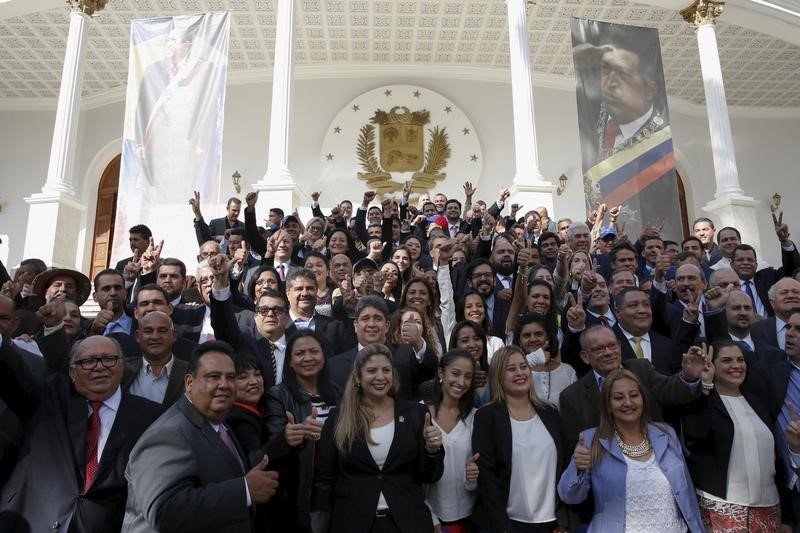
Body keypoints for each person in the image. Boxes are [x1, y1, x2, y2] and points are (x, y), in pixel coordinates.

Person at [0, 327, 161, 533]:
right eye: (88, 361)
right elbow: (13, 375)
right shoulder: (51, 398)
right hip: (31, 520)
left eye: (108, 359)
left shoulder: (150, 416)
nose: (99, 367)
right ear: (72, 372)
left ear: (121, 366)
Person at [122, 340, 280, 532]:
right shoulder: (168, 434)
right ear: (189, 383)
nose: (224, 384)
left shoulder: (219, 423)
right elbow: (164, 511)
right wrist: (244, 491)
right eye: (213, 377)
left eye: (230, 377)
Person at [312, 343, 445, 532]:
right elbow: (325, 478)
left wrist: (433, 451)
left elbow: (430, 476)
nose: (380, 377)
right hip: (353, 523)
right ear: (358, 376)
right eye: (372, 370)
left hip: (407, 522)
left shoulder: (416, 413)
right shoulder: (338, 418)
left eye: (386, 370)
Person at [558, 369, 704, 532]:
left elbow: (688, 492)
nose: (628, 402)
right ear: (608, 405)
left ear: (643, 398)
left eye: (634, 395)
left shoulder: (666, 433)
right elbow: (569, 497)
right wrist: (578, 468)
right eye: (618, 398)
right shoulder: (591, 439)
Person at [681, 340, 782, 531]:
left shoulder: (758, 402)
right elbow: (696, 433)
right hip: (723, 510)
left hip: (769, 510)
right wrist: (706, 385)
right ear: (711, 365)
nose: (736, 366)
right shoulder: (703, 400)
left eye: (740, 360)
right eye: (726, 360)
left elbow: (775, 461)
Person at [472, 345, 564, 532]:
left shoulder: (550, 412)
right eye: (511, 369)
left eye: (523, 367)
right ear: (498, 376)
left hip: (554, 522)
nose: (520, 373)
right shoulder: (487, 416)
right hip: (510, 524)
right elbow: (487, 477)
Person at [262, 330, 340, 532]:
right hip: (301, 493)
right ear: (289, 361)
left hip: (339, 488)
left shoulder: (337, 392)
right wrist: (291, 436)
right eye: (299, 353)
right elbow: (274, 440)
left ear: (323, 356)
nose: (307, 358)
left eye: (314, 351)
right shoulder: (278, 396)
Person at [425, 349, 480, 530]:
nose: (461, 382)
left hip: (472, 517)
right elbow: (414, 474)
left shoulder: (475, 417)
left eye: (468, 377)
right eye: (455, 374)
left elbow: (481, 472)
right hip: (433, 518)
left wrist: (473, 477)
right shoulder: (420, 415)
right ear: (441, 373)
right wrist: (431, 519)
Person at [122, 310, 188, 407]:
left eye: (162, 331)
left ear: (173, 335)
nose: (155, 337)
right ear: (137, 336)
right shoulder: (123, 370)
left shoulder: (191, 371)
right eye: (148, 331)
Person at [450, 320, 492, 407]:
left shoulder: (495, 373)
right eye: (465, 341)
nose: (472, 345)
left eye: (477, 339)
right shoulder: (447, 378)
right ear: (455, 345)